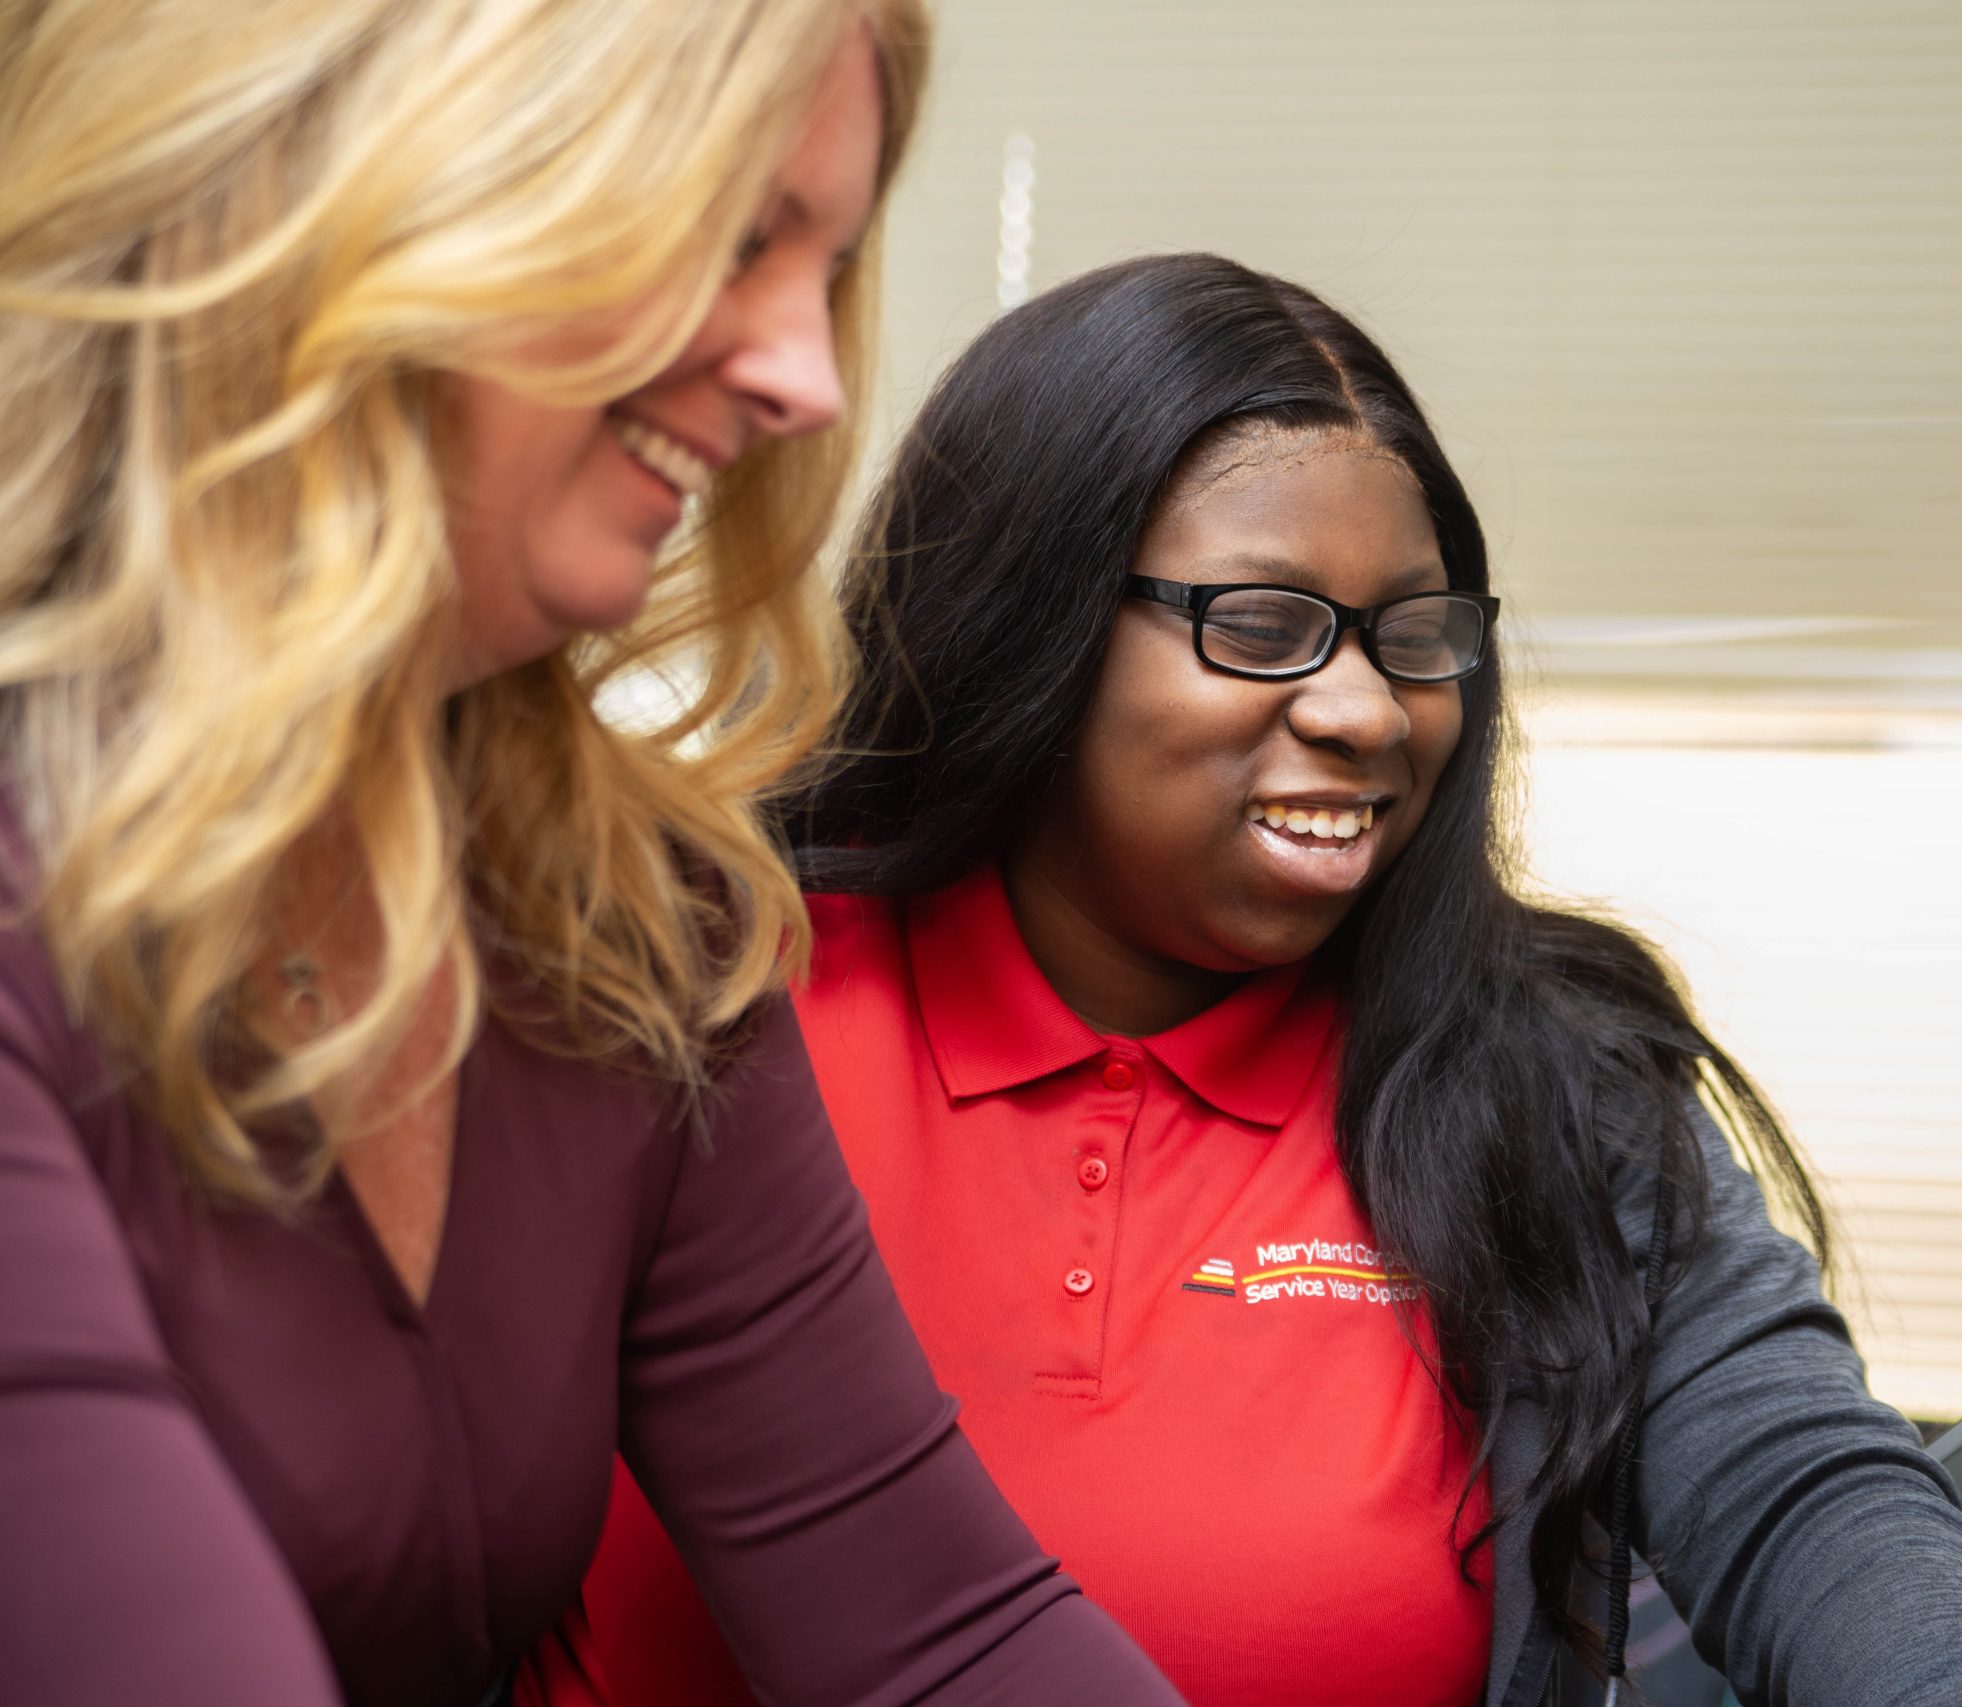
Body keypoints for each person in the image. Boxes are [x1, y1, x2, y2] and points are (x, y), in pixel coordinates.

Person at [558, 252, 1962, 1707]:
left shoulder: (1546, 1085)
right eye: (1260, 627)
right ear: (1029, 622)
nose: (1368, 711)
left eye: (1416, 637)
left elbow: (1806, 1493)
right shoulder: (694, 994)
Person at [0, 3, 1182, 1703]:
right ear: (358, 180)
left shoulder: (626, 921)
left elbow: (939, 1637)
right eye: (729, 235)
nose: (808, 378)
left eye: (823, 267)